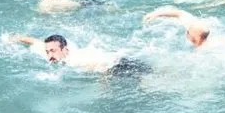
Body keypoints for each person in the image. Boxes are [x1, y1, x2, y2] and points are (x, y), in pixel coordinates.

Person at [11, 34, 152, 77]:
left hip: (119, 65)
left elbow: (104, 68)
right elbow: (34, 41)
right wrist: (13, 39)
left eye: (53, 51)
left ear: (65, 50)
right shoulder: (49, 52)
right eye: (48, 52)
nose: (49, 56)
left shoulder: (76, 61)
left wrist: (102, 92)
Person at [143, 7, 211, 49]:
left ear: (197, 38)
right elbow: (180, 13)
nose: (187, 33)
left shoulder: (203, 53)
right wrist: (156, 14)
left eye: (189, 32)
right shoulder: (194, 26)